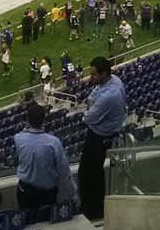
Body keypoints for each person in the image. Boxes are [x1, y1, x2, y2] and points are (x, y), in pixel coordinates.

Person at [79, 56, 126, 220]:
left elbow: (88, 118)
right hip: (102, 132)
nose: (90, 78)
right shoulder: (112, 81)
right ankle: (94, 208)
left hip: (100, 137)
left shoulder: (109, 95)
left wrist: (91, 109)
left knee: (89, 175)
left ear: (104, 73)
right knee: (92, 173)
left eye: (93, 74)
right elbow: (91, 97)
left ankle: (92, 211)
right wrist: (92, 106)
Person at [14, 103, 77, 213]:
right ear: (44, 120)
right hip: (46, 194)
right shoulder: (53, 142)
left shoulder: (18, 138)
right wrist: (73, 194)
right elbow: (64, 171)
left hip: (25, 193)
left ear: (27, 120)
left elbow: (23, 132)